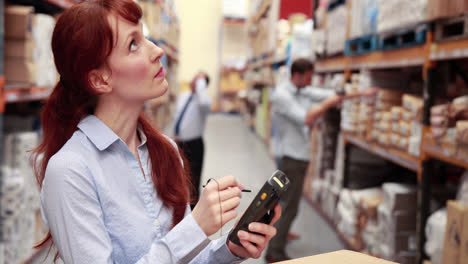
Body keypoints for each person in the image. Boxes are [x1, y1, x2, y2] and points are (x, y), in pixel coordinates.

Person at [33, 1, 281, 263]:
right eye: (133, 44)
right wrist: (194, 228)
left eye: (145, 36)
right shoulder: (71, 171)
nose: (157, 50)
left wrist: (229, 249)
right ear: (100, 79)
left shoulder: (166, 151)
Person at [265, 58, 376, 262]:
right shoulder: (282, 95)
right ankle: (274, 251)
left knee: (287, 203)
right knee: (291, 205)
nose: (310, 82)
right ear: (297, 76)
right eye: (308, 78)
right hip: (291, 157)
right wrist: (326, 104)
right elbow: (307, 117)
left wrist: (362, 93)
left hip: (299, 156)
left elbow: (332, 96)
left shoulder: (301, 90)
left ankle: (281, 233)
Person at [173, 71, 212, 208]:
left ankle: (193, 211)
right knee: (178, 178)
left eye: (200, 79)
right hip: (178, 143)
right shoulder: (184, 96)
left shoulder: (204, 101)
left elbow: (204, 101)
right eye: (196, 76)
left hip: (194, 145)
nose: (195, 79)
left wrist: (201, 83)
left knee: (193, 181)